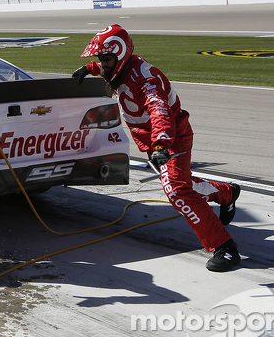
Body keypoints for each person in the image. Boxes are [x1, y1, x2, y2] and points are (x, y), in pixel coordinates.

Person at [72, 24, 242, 272]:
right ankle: (226, 193)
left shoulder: (146, 79)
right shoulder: (122, 67)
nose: (102, 63)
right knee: (181, 182)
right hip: (157, 141)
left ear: (120, 56)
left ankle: (225, 247)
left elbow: (159, 110)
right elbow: (108, 69)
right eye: (100, 58)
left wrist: (162, 144)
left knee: (175, 190)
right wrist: (89, 68)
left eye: (106, 58)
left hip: (172, 137)